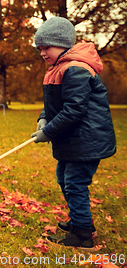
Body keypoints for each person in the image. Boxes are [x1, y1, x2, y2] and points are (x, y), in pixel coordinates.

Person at [31, 17, 116, 249]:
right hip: (74, 140)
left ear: (62, 44)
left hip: (87, 140)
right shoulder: (58, 68)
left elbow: (73, 110)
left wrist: (48, 132)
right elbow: (55, 103)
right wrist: (43, 118)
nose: (42, 53)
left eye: (46, 47)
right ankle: (80, 220)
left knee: (75, 184)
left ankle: (82, 235)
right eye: (40, 48)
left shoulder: (76, 69)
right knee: (64, 179)